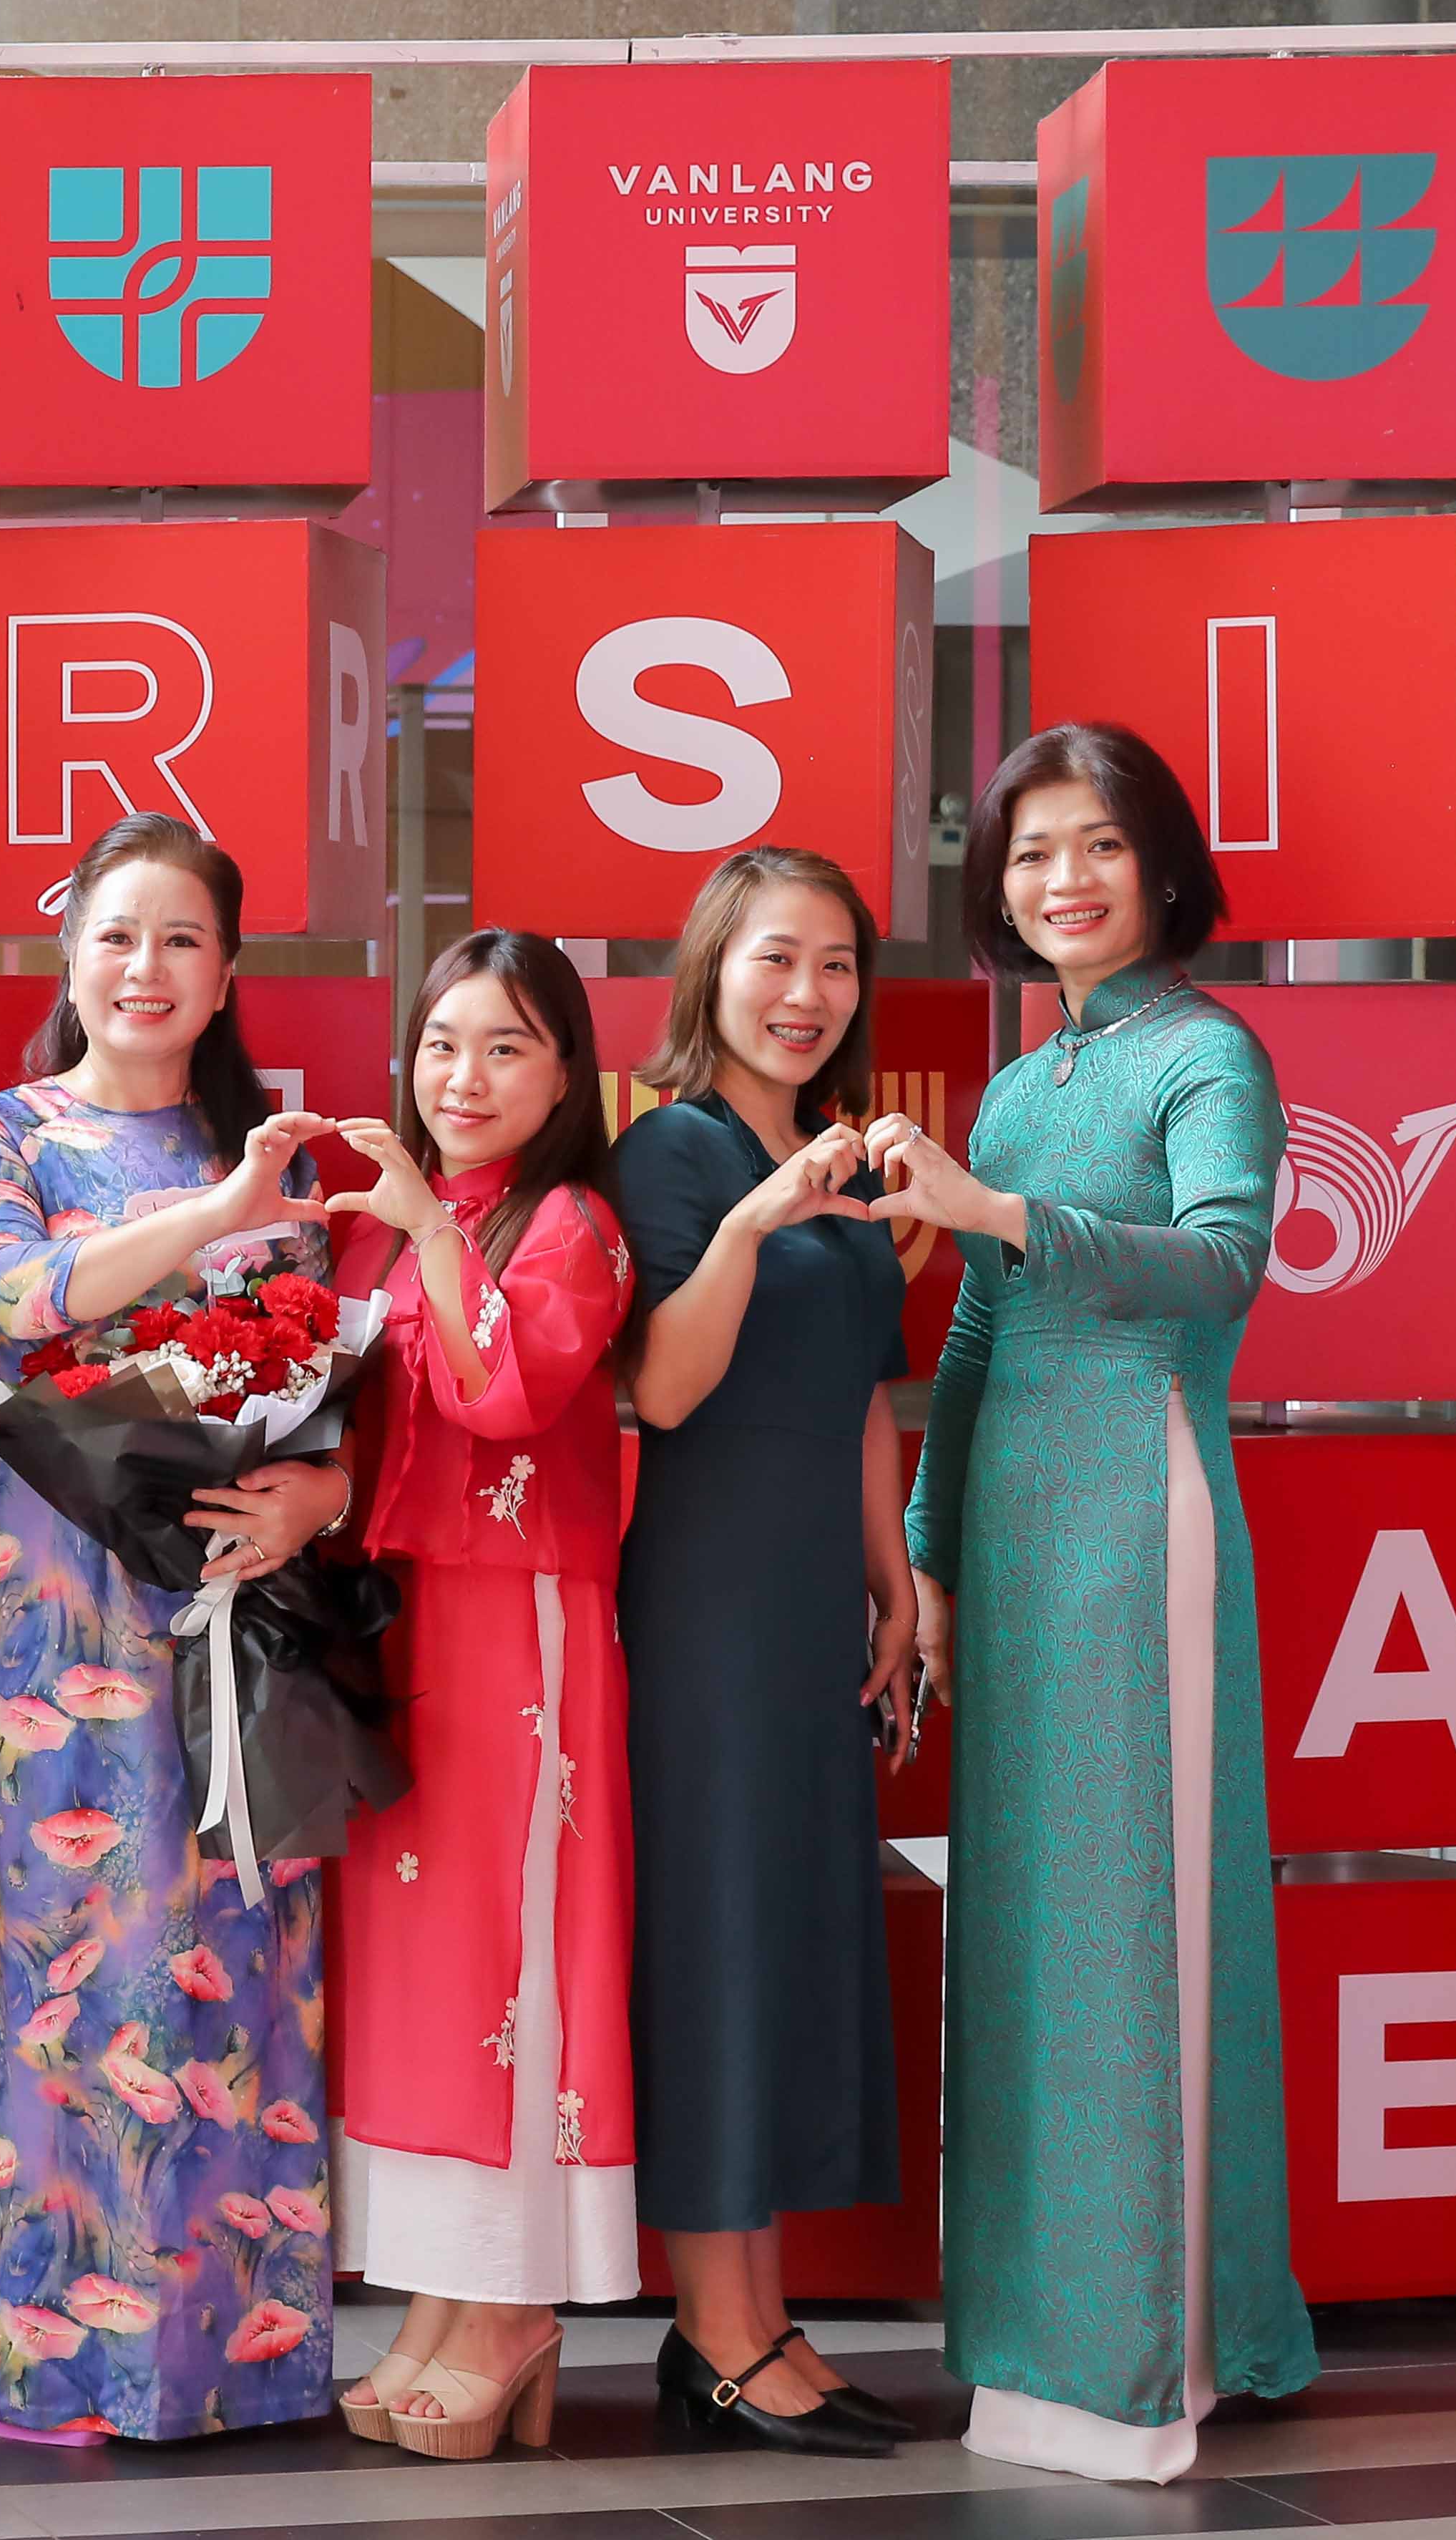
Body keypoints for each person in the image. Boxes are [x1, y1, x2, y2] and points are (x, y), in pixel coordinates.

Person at [886, 724, 1318, 2481]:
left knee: (1137, 1930)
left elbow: (1224, 1264)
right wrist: (926, 1549)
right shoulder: (1017, 1083)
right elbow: (974, 1334)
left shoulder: (1208, 1053)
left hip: (1140, 1517)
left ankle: (1157, 2355)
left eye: (1095, 845)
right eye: (1027, 853)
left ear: (1161, 866)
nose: (1060, 880)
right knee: (1019, 1940)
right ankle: (1032, 2341)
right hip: (1009, 1529)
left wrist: (997, 1209)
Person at [0, 814, 344, 2446]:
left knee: (234, 1936)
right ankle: (55, 2358)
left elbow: (332, 1377)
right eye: (117, 935)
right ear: (70, 955)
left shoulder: (278, 1152)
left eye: (182, 940)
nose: (145, 968)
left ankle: (234, 2362)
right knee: (64, 1934)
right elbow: (25, 1294)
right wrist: (221, 1207)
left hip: (236, 1592)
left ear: (227, 973)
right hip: (63, 1592)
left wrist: (317, 1489)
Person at [613, 850, 922, 2457]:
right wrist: (755, 1214)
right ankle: (713, 2334)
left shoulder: (845, 1153)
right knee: (717, 1942)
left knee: (788, 1936)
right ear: (711, 971)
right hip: (708, 1603)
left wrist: (895, 1580)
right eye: (775, 959)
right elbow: (662, 1389)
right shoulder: (673, 1149)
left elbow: (865, 1386)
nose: (807, 994)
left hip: (813, 1604)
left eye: (836, 965)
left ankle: (762, 2317)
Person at [323, 928, 634, 2461]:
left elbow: (505, 1394)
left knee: (515, 1949)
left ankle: (513, 2306)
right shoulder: (391, 1221)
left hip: (523, 1620)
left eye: (507, 1045)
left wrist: (430, 1246)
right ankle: (440, 2298)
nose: (464, 1075)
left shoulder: (573, 1223)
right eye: (442, 1042)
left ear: (566, 1073)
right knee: (418, 1961)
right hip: (404, 1627)